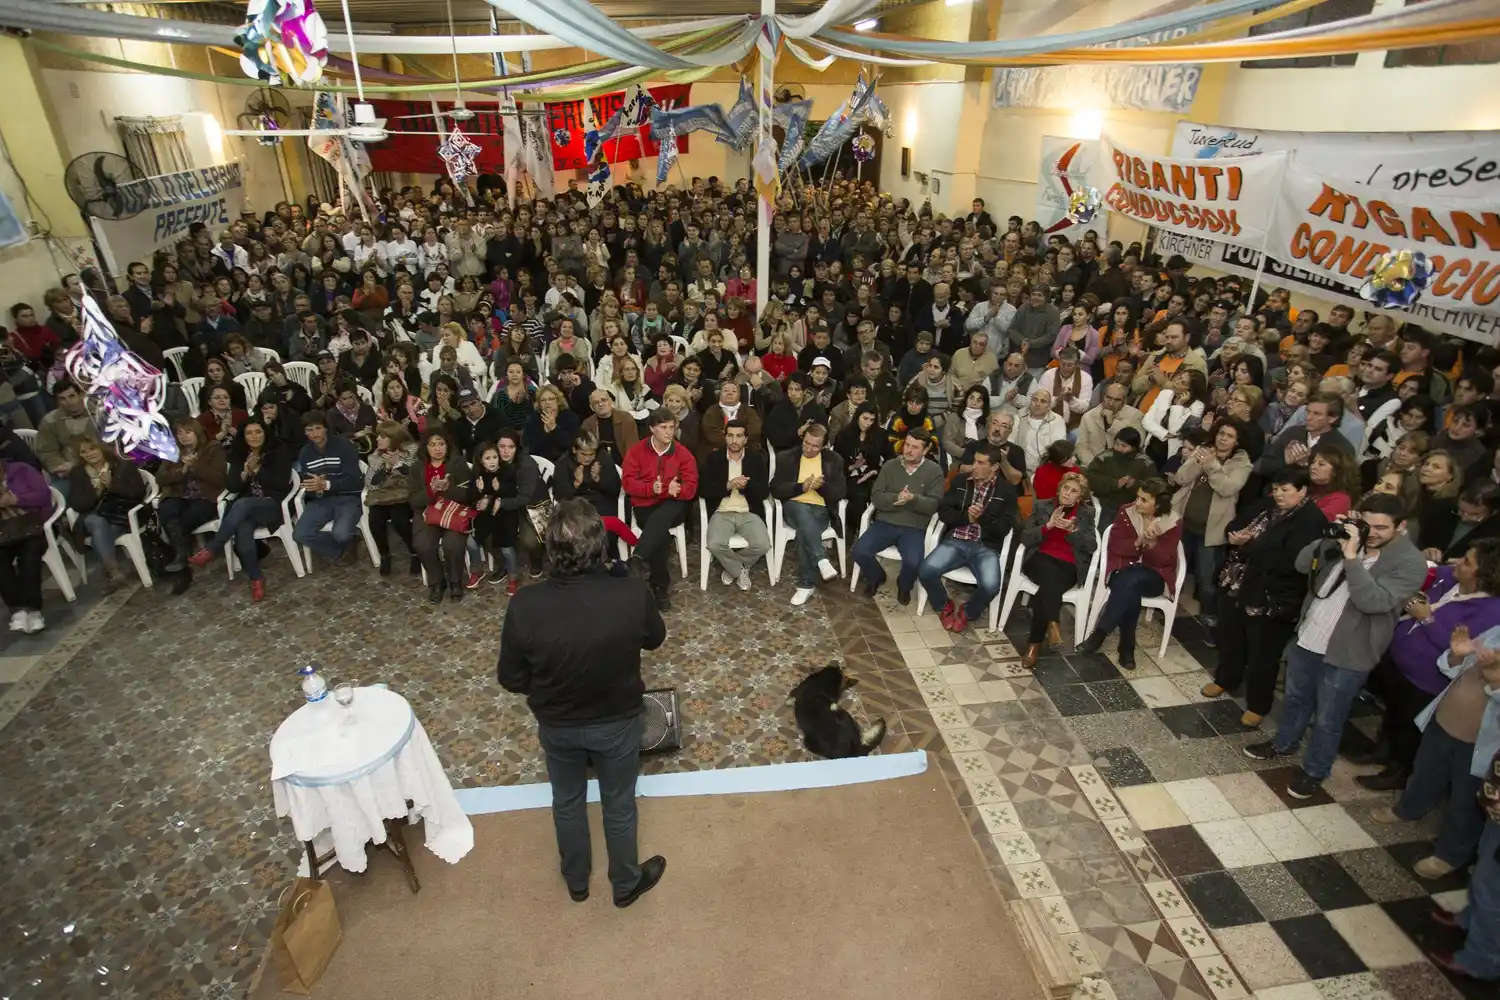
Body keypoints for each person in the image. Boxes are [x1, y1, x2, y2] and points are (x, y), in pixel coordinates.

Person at [497, 498, 668, 908]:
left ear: (550, 550)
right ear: (601, 546)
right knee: (619, 803)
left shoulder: (524, 603)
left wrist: (545, 686)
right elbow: (655, 638)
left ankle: (576, 880)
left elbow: (511, 678)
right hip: (618, 720)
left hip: (557, 724)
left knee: (567, 800)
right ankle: (625, 884)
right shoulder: (630, 592)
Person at [1243, 494, 1427, 799]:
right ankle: (1283, 743)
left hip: (1349, 652)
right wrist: (1330, 537)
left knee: (1329, 718)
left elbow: (1372, 602)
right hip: (1310, 637)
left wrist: (1353, 557)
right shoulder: (1345, 539)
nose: (1373, 533)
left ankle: (1315, 771)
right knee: (1295, 698)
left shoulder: (1409, 562)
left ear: (1401, 526)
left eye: (1381, 527)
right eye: (1367, 525)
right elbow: (1303, 565)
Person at [1369, 614, 1500, 885]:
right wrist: (1455, 655)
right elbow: (1453, 667)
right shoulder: (1496, 631)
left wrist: (1495, 681)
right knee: (1425, 773)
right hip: (1444, 721)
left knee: (1464, 801)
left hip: (1478, 743)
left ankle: (1450, 855)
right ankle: (1408, 808)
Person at [1204, 469, 1329, 726]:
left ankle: (1258, 704)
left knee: (1263, 653)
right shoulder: (1269, 504)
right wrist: (1234, 534)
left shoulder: (1310, 520)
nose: (1279, 495)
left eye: (1286, 490)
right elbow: (1238, 521)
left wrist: (1250, 544)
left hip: (1272, 596)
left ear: (1303, 491)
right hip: (1239, 583)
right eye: (1276, 489)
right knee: (1230, 637)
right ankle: (1226, 678)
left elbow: (1292, 562)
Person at [185, 417, 296, 600]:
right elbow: (233, 487)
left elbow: (281, 482)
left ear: (265, 433)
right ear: (243, 436)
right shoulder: (239, 454)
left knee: (242, 504)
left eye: (258, 431)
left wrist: (258, 470)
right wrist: (245, 472)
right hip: (247, 508)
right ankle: (257, 580)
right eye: (249, 433)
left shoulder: (278, 450)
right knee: (243, 532)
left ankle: (213, 548)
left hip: (272, 504)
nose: (254, 436)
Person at [1078, 478, 1182, 669]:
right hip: (1123, 567)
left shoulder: (1171, 521)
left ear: (1158, 503)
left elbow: (1164, 560)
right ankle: (1127, 648)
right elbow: (1115, 544)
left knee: (1130, 581)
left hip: (1155, 574)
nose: (1137, 503)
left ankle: (1100, 634)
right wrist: (1137, 542)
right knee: (1130, 587)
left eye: (1144, 500)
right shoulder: (1126, 511)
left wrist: (1151, 543)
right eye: (1137, 497)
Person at [918, 443, 1019, 633]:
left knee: (991, 587)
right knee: (926, 570)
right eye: (974, 461)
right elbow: (944, 512)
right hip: (957, 540)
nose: (975, 466)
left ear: (995, 467)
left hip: (985, 547)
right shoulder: (961, 481)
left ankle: (968, 612)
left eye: (981, 463)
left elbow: (1004, 529)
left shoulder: (1007, 492)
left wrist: (982, 518)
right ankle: (943, 605)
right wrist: (967, 517)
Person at [1171, 422, 1253, 632]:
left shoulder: (1242, 464)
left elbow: (1226, 488)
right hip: (1184, 522)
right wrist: (1197, 461)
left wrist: (1210, 464)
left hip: (1211, 531)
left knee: (1206, 578)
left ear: (1237, 441)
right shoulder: (1204, 451)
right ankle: (1166, 604)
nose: (1223, 438)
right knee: (1173, 567)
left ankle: (1209, 617)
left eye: (1230, 436)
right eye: (1221, 433)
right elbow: (1181, 478)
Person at [851, 429, 944, 603]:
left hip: (914, 527)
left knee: (914, 561)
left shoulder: (934, 471)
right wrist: (896, 498)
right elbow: (876, 496)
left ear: (925, 451)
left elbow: (933, 504)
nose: (908, 450)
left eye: (915, 447)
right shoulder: (890, 466)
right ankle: (876, 577)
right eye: (907, 445)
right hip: (886, 522)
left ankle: (904, 585)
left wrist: (913, 499)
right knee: (859, 551)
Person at [1015, 471, 1097, 666]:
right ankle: (1052, 625)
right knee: (1050, 577)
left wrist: (1073, 531)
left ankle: (1036, 643)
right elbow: (1026, 537)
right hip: (1039, 560)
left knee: (1046, 590)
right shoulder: (1042, 505)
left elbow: (1091, 546)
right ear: (1059, 489)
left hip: (1068, 566)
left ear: (1080, 496)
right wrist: (1049, 525)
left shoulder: (1086, 513)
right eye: (1066, 488)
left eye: (1074, 491)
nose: (1068, 493)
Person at [620, 409, 698, 610]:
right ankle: (660, 586)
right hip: (645, 503)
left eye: (672, 427)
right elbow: (628, 483)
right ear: (652, 429)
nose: (669, 432)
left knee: (662, 518)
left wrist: (672, 490)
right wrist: (651, 489)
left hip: (674, 504)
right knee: (660, 534)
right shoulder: (636, 451)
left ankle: (638, 558)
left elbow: (690, 489)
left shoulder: (683, 454)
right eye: (663, 427)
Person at [771, 422, 846, 607]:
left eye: (815, 446)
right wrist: (801, 487)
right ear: (802, 439)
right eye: (807, 443)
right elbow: (775, 489)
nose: (810, 449)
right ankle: (820, 561)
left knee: (805, 532)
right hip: (793, 507)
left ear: (823, 446)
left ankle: (807, 584)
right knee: (801, 510)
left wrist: (822, 488)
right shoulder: (786, 457)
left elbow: (841, 493)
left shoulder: (833, 460)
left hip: (820, 511)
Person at [66, 437, 147, 592]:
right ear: (80, 456)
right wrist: (97, 491)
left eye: (92, 448)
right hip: (91, 515)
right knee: (96, 522)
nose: (89, 453)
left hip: (119, 515)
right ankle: (115, 571)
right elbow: (77, 504)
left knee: (99, 536)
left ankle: (112, 573)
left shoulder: (123, 466)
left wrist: (111, 485)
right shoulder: (78, 473)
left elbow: (137, 493)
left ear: (101, 448)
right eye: (84, 452)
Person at [700, 420, 772, 589]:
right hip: (722, 512)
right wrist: (728, 485)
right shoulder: (714, 459)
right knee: (714, 544)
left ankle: (731, 568)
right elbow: (703, 489)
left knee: (763, 545)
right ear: (724, 438)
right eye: (730, 435)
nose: (734, 440)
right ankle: (740, 571)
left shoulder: (756, 459)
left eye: (739, 436)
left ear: (746, 439)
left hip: (749, 512)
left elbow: (764, 492)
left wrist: (747, 486)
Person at [291, 410, 365, 564]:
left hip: (348, 498)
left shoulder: (344, 446)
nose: (315, 433)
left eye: (318, 428)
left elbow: (355, 481)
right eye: (309, 430)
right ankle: (340, 551)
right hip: (321, 500)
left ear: (325, 428)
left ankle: (347, 539)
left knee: (341, 533)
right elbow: (309, 484)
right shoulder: (305, 453)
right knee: (300, 534)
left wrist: (327, 484)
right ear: (305, 433)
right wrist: (316, 490)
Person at [155, 418, 228, 575]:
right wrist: (182, 471)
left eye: (188, 432)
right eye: (179, 433)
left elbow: (219, 478)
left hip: (205, 497)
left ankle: (181, 554)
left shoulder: (213, 448)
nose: (183, 437)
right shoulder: (173, 452)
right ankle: (183, 554)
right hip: (180, 496)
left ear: (197, 433)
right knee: (167, 509)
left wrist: (196, 467)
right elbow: (160, 478)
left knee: (186, 518)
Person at [410, 428, 474, 601]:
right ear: (425, 447)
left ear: (448, 445)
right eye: (432, 444)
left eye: (441, 444)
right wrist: (430, 490)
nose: (437, 448)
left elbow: (470, 495)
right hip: (426, 513)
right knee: (423, 544)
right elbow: (413, 500)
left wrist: (449, 489)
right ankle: (437, 582)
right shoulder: (417, 467)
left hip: (453, 512)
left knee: (452, 544)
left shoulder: (458, 464)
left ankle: (455, 581)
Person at [0, 457, 52, 633]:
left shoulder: (22, 470)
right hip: (3, 533)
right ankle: (18, 610)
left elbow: (44, 495)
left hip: (33, 528)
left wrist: (15, 500)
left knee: (29, 556)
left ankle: (33, 610)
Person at [365, 420, 419, 577]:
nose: (377, 439)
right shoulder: (375, 457)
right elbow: (371, 484)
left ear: (393, 438)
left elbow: (415, 477)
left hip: (403, 496)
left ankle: (414, 553)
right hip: (381, 498)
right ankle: (384, 555)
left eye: (382, 436)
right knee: (375, 519)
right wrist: (386, 470)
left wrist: (398, 464)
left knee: (399, 519)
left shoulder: (411, 451)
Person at [1084, 427, 1155, 529]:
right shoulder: (1104, 457)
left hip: (1135, 507)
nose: (1118, 448)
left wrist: (1134, 485)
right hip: (1107, 504)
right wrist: (1115, 484)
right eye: (1116, 444)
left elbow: (1154, 486)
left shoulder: (1145, 462)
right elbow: (1090, 479)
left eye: (1124, 446)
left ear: (1134, 447)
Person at [1074, 381, 1144, 467]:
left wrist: (1113, 424)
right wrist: (1095, 464)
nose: (1111, 403)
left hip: (1123, 466)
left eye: (1117, 400)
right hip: (1093, 465)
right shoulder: (1089, 416)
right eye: (1108, 397)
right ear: (1103, 396)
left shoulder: (1135, 416)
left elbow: (1138, 444)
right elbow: (1081, 447)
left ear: (1124, 400)